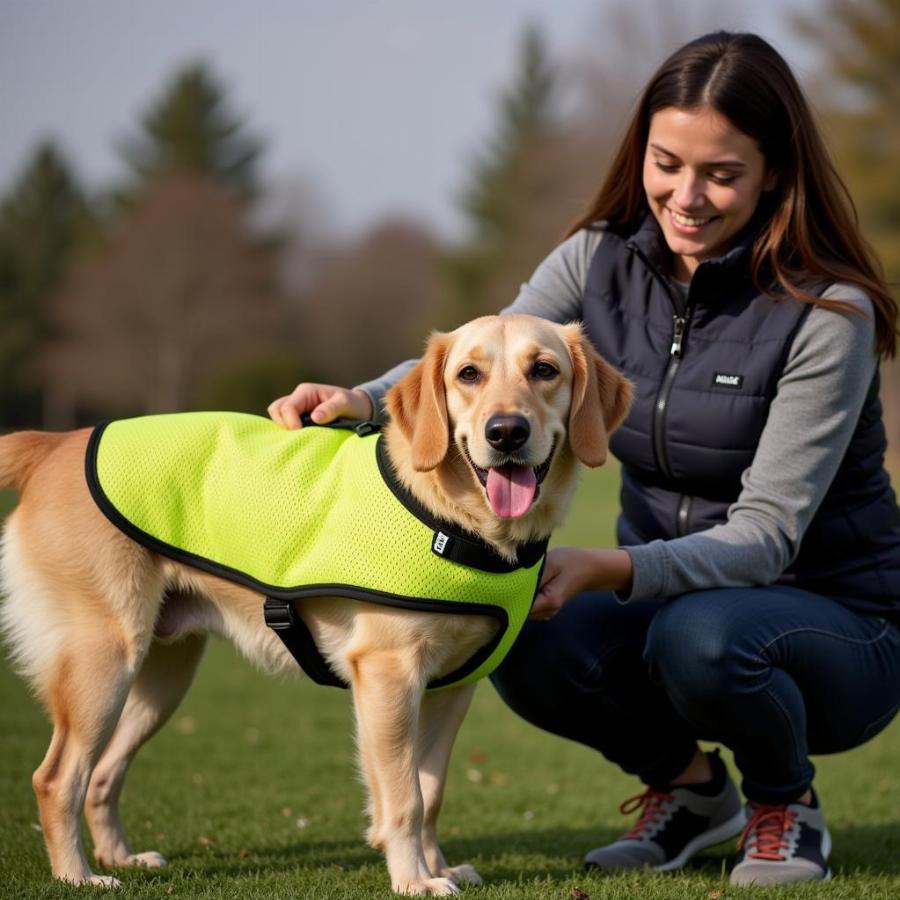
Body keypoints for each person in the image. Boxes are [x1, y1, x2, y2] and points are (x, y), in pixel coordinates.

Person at [268, 31, 900, 887]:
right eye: (667, 162)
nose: (686, 196)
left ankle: (784, 805)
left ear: (777, 173)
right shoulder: (597, 258)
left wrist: (605, 566)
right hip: (660, 604)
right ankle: (694, 794)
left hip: (830, 623)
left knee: (703, 636)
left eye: (722, 173)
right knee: (515, 629)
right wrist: (361, 400)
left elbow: (766, 538)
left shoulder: (830, 315)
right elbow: (486, 351)